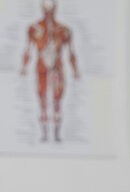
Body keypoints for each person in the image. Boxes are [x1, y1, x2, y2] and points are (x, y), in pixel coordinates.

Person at [20, 0, 79, 143]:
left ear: (56, 9)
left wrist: (75, 70)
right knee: (42, 98)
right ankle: (44, 133)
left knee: (57, 99)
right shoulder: (34, 28)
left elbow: (71, 53)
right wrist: (24, 67)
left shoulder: (64, 30)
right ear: (42, 9)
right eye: (46, 10)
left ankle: (57, 133)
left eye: (51, 10)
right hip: (41, 67)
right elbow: (28, 50)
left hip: (57, 67)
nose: (49, 14)